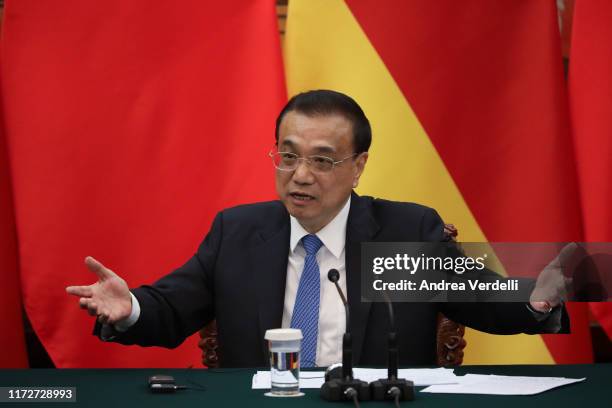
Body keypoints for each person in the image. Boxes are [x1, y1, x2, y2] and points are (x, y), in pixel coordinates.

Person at [66, 90, 566, 368]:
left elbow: (481, 298)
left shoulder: (402, 232)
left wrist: (535, 298)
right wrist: (129, 307)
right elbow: (172, 309)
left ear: (358, 165)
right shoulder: (238, 232)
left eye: (322, 160)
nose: (300, 175)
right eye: (287, 156)